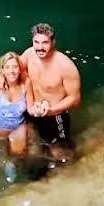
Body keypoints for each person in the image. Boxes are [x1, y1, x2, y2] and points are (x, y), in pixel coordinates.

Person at [21, 23, 81, 160]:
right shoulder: (29, 54)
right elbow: (13, 73)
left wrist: (51, 110)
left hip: (55, 116)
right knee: (25, 143)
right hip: (31, 109)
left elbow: (75, 98)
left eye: (45, 43)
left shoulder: (65, 66)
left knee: (61, 154)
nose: (40, 47)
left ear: (53, 42)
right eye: (36, 42)